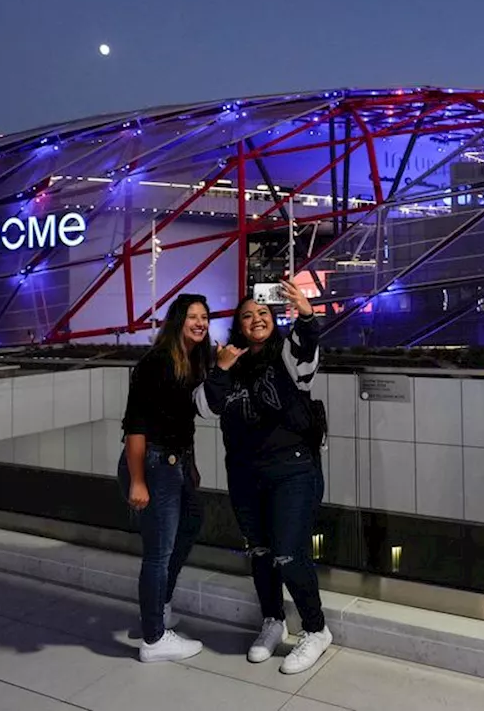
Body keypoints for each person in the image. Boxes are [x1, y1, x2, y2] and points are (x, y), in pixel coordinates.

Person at [197, 280, 330, 675]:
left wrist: (305, 315)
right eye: (247, 315)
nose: (256, 319)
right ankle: (272, 620)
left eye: (263, 313)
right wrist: (221, 369)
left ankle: (315, 628)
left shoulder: (285, 357)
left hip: (292, 469)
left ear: (273, 321)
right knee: (260, 553)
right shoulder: (226, 362)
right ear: (238, 325)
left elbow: (307, 354)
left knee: (289, 551)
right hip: (244, 473)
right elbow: (205, 408)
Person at [118, 293, 211, 662]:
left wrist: (191, 464)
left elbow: (182, 423)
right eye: (192, 316)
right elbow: (135, 426)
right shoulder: (156, 363)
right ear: (177, 320)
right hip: (154, 465)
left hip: (176, 463)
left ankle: (158, 608)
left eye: (204, 316)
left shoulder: (190, 360)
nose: (200, 322)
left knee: (190, 525)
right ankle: (154, 639)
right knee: (158, 553)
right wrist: (138, 480)